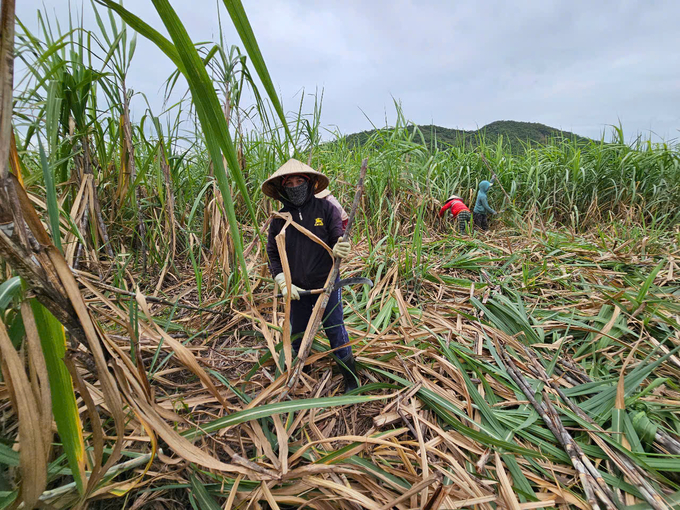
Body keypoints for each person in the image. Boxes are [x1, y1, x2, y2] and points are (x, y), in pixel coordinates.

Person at [263, 159, 359, 392]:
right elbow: (273, 254)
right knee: (297, 332)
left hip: (327, 285)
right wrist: (283, 282)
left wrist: (340, 246)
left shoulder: (326, 209)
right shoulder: (278, 220)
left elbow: (338, 235)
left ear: (310, 183)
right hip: (297, 290)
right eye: (290, 183)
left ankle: (350, 379)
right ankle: (299, 373)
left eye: (300, 181)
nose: (295, 186)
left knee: (336, 330)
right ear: (283, 188)